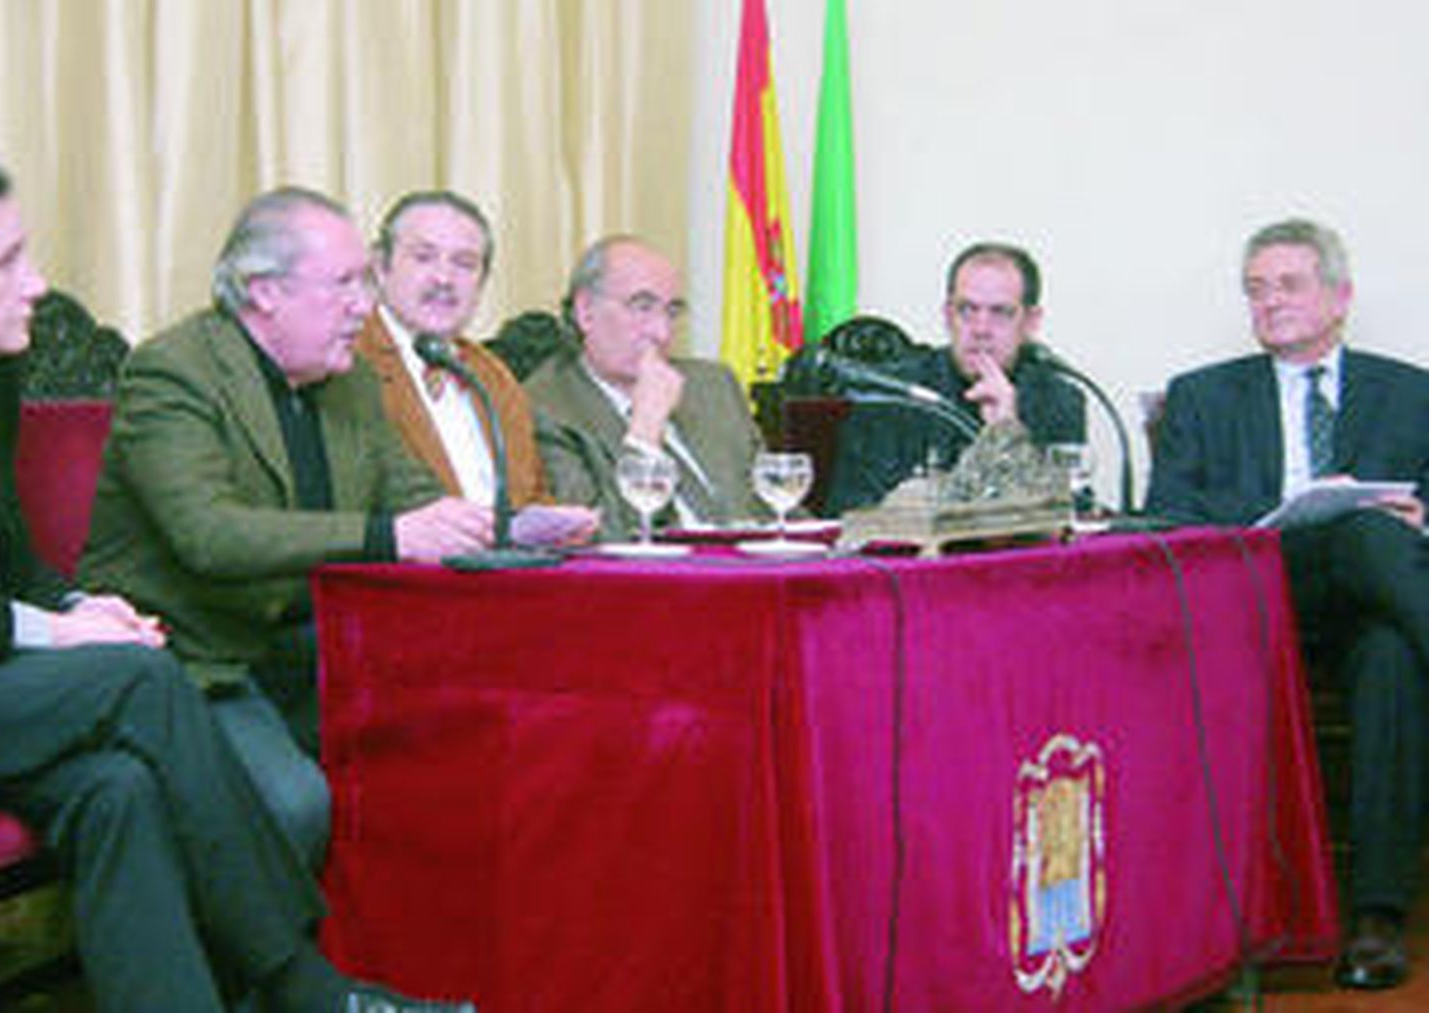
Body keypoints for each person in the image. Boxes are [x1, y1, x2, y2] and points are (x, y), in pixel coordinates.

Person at [0, 145, 470, 1012]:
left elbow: (0, 557)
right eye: (7, 262)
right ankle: (306, 986)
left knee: (117, 789)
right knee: (140, 676)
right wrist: (55, 632)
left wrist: (79, 602)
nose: (37, 283)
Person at [81, 187, 493, 873]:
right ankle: (267, 951)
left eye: (365, 283)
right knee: (293, 805)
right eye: (344, 283)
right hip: (195, 659)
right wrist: (387, 538)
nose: (363, 306)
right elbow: (207, 533)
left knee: (456, 762)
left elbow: (417, 504)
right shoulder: (175, 369)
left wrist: (502, 527)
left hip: (319, 650)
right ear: (264, 291)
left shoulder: (350, 381)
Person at [1147, 218, 1429, 991]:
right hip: (1253, 602)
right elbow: (1165, 513)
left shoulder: (1414, 393)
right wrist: (1285, 513)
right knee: (1360, 530)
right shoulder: (1202, 395)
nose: (1269, 301)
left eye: (1289, 284)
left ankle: (1376, 916)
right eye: (1256, 289)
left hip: (1373, 608)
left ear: (1340, 296)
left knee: (1392, 657)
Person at [524, 235, 769, 541]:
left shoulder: (713, 385)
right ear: (585, 311)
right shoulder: (545, 408)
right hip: (660, 572)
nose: (661, 332)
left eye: (672, 311)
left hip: (753, 564)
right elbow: (602, 538)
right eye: (642, 307)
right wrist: (645, 432)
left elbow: (775, 506)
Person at [824, 242, 1085, 514]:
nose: (981, 329)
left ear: (1031, 322)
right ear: (948, 315)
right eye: (967, 310)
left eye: (1000, 312)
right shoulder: (891, 396)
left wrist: (1007, 430)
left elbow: (1067, 514)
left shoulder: (1059, 400)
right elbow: (849, 512)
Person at [355, 190, 550, 510]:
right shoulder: (351, 360)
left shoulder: (491, 374)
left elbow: (533, 492)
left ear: (482, 282)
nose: (444, 278)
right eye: (424, 257)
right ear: (379, 266)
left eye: (464, 264)